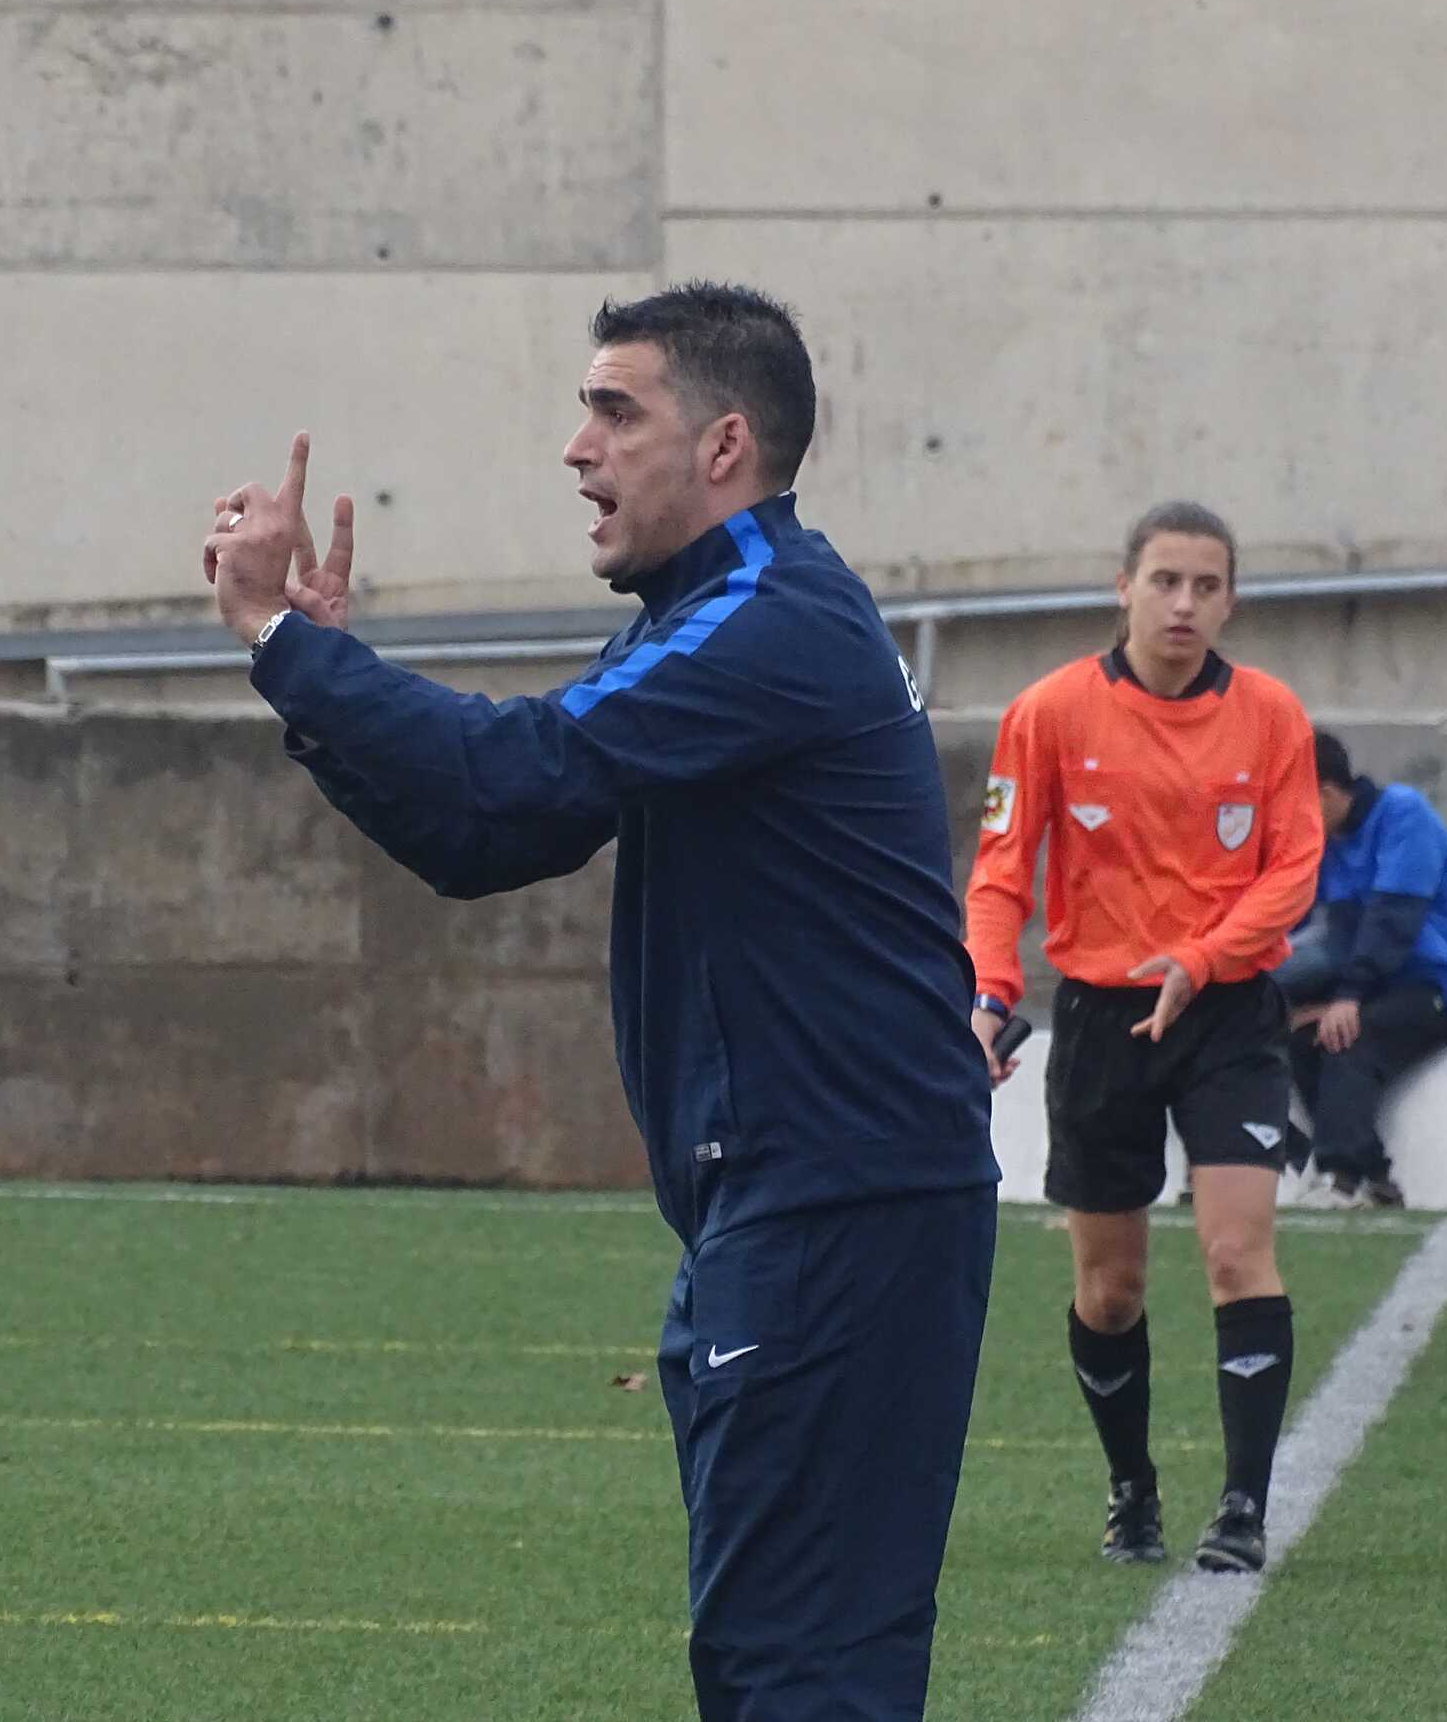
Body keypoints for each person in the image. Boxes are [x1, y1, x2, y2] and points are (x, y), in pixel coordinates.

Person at [202, 282, 1000, 1722]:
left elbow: (508, 775)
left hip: (835, 1210)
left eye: (615, 411)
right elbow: (484, 839)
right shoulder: (709, 617)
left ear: (725, 444)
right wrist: (309, 677)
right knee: (779, 1662)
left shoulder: (767, 617)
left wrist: (284, 640)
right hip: (797, 1209)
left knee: (796, 1672)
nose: (577, 447)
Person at [963, 502, 1322, 1576]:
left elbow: (1293, 871)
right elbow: (998, 875)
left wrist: (1200, 960)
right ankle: (1133, 1489)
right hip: (1101, 1019)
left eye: (1207, 586)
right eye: (1166, 581)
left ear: (1231, 601)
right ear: (1123, 587)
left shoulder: (1271, 717)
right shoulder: (1048, 713)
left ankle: (1244, 1507)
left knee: (1235, 1252)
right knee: (1109, 1289)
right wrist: (987, 993)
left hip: (1227, 1014)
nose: (1184, 604)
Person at [1274, 731, 1447, 1210]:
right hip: (1377, 984)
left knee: (1349, 1040)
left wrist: (1348, 997)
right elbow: (1316, 933)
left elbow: (1393, 921)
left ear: (1325, 793)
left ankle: (1341, 1178)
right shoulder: (1327, 845)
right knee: (1302, 1040)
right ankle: (1374, 1177)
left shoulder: (1402, 815)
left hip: (1441, 984)